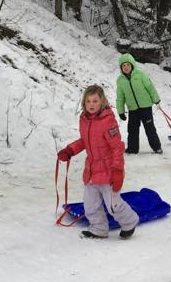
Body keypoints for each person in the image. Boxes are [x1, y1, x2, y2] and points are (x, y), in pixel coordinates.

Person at [57, 85, 139, 239]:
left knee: (113, 205)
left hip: (109, 170)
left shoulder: (107, 121)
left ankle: (130, 222)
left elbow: (117, 147)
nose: (91, 104)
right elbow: (84, 141)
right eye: (88, 101)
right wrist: (70, 150)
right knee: (90, 205)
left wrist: (117, 170)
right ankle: (99, 229)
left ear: (102, 102)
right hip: (91, 170)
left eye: (95, 101)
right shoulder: (84, 120)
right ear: (84, 103)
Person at [115, 53, 162, 154]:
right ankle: (132, 148)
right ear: (121, 67)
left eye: (128, 65)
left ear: (132, 65)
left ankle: (157, 147)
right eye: (123, 65)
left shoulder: (140, 75)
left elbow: (150, 87)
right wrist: (121, 111)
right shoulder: (120, 80)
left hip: (146, 107)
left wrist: (156, 99)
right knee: (132, 130)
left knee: (150, 129)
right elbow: (120, 97)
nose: (126, 67)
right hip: (133, 109)